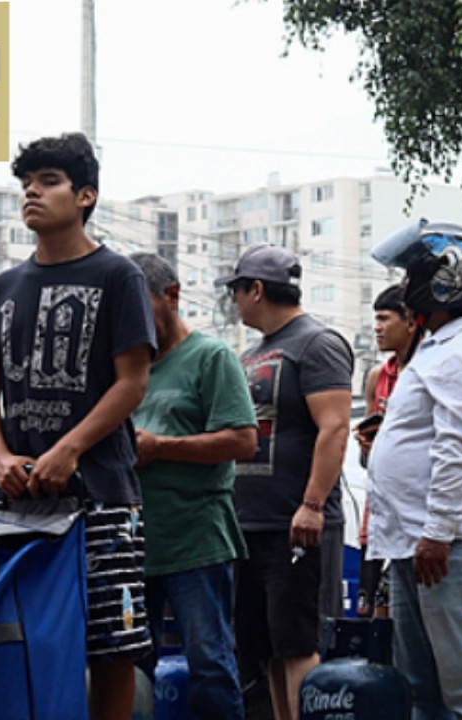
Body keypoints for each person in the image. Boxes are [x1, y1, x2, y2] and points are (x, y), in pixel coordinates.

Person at [0, 133, 156, 720]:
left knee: (112, 647)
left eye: (48, 181)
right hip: (14, 499)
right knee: (15, 635)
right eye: (26, 182)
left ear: (85, 196)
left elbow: (132, 381)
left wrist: (71, 448)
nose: (32, 192)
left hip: (100, 493)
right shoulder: (1, 288)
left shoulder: (118, 276)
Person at [366, 220, 462, 719]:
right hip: (418, 540)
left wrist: (437, 532)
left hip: (448, 542)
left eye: (412, 275)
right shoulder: (437, 349)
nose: (405, 287)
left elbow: (457, 447)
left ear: (446, 279)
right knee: (421, 691)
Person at [222, 244, 352, 720]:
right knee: (269, 647)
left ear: (256, 289)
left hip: (296, 523)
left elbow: (335, 427)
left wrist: (312, 504)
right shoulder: (250, 353)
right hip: (249, 525)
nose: (234, 301)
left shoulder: (317, 343)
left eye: (237, 290)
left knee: (298, 642)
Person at [130, 253, 258, 719]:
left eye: (138, 305)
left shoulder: (211, 356)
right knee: (127, 664)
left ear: (172, 297)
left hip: (195, 538)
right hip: (133, 541)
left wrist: (161, 446)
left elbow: (244, 440)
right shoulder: (128, 367)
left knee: (210, 662)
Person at [354, 285, 418, 618]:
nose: (377, 327)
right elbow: (367, 460)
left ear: (410, 322)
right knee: (374, 618)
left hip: (416, 516)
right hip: (377, 516)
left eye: (384, 318)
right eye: (374, 319)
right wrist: (368, 445)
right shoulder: (378, 375)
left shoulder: (428, 369)